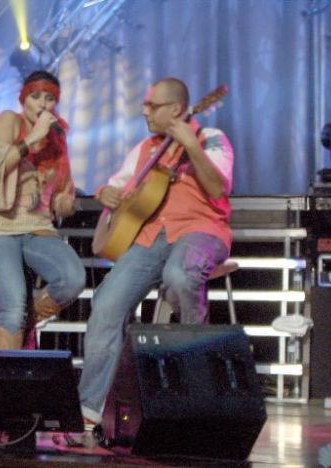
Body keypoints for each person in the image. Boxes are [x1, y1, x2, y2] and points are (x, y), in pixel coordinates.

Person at [78, 77, 234, 425]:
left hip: (200, 230)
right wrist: (105, 192)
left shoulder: (211, 139)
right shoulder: (145, 148)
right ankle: (92, 406)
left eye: (152, 105)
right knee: (107, 303)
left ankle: (198, 383)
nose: (144, 111)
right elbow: (118, 186)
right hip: (149, 238)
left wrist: (191, 146)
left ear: (176, 109)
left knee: (179, 275)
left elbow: (217, 188)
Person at [0, 70, 85, 349]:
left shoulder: (57, 140)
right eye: (35, 97)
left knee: (72, 279)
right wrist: (31, 139)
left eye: (49, 99)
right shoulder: (9, 121)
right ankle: (8, 372)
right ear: (23, 100)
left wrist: (66, 203)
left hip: (37, 227)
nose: (43, 104)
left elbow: (60, 195)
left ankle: (24, 322)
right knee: (12, 306)